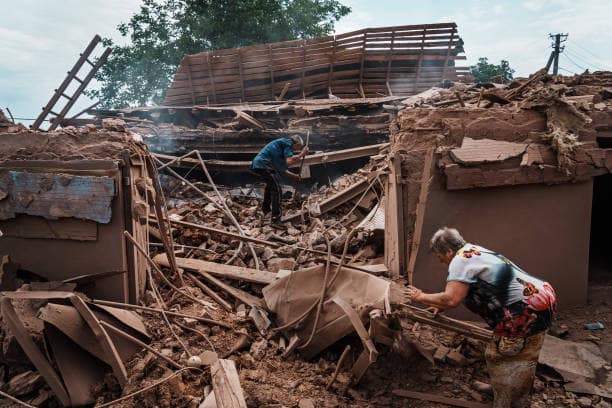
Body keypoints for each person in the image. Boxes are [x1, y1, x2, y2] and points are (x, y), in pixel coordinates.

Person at [405, 227, 557, 408]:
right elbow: (470, 289)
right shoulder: (473, 251)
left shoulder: (459, 261)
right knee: (525, 355)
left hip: (524, 312)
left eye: (440, 257)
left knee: (500, 357)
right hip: (542, 299)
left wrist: (420, 297)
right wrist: (440, 305)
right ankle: (509, 391)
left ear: (449, 251)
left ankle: (507, 402)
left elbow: (452, 298)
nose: (442, 261)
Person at [251, 135, 309, 227]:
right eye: (298, 148)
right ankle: (275, 220)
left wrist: (294, 176)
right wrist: (302, 154)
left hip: (261, 164)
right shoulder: (288, 144)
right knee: (277, 190)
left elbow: (282, 169)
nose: (294, 151)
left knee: (270, 187)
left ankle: (266, 211)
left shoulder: (281, 147)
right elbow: (289, 161)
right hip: (264, 164)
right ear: (296, 143)